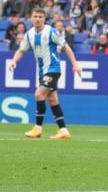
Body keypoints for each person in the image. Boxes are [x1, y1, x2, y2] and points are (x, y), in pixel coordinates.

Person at [8, 8, 82, 139]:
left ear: (44, 19)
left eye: (40, 17)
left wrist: (75, 64)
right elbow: (21, 50)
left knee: (39, 93)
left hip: (53, 69)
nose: (37, 19)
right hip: (42, 72)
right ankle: (63, 130)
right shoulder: (29, 34)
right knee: (53, 100)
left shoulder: (51, 32)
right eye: (35, 16)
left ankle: (37, 128)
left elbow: (66, 48)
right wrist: (14, 61)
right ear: (31, 18)